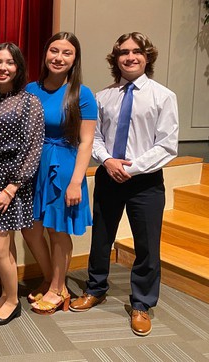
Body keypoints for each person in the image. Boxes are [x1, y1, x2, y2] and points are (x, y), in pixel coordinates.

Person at [69, 32, 178, 337]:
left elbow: (167, 145)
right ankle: (96, 287)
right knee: (101, 237)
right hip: (108, 175)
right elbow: (95, 137)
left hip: (145, 181)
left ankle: (142, 304)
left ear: (147, 56)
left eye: (137, 52)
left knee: (146, 244)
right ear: (115, 59)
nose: (130, 57)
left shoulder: (163, 96)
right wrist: (107, 161)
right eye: (123, 53)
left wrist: (132, 168)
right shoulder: (104, 97)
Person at [22, 32, 97, 315]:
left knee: (57, 230)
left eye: (67, 53)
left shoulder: (82, 93)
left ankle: (58, 287)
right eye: (54, 50)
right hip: (33, 165)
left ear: (75, 59)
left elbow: (87, 141)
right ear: (45, 54)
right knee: (30, 228)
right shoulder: (30, 89)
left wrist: (77, 181)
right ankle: (50, 277)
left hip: (64, 166)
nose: (59, 57)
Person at [0, 42, 44, 326]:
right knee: (4, 246)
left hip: (11, 179)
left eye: (9, 63)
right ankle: (7, 294)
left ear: (18, 68)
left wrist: (12, 187)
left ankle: (13, 303)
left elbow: (33, 148)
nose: (2, 68)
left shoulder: (29, 102)